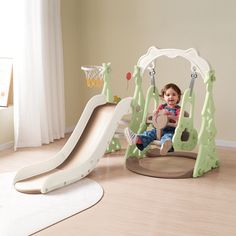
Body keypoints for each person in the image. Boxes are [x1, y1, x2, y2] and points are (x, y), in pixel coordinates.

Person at [124, 83, 182, 155]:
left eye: (174, 94)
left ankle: (165, 146)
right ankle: (136, 139)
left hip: (170, 130)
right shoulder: (161, 107)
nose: (171, 97)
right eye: (168, 95)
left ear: (178, 97)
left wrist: (170, 114)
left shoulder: (179, 110)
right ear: (163, 97)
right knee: (149, 134)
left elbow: (179, 120)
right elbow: (155, 117)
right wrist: (155, 113)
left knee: (168, 137)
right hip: (158, 129)